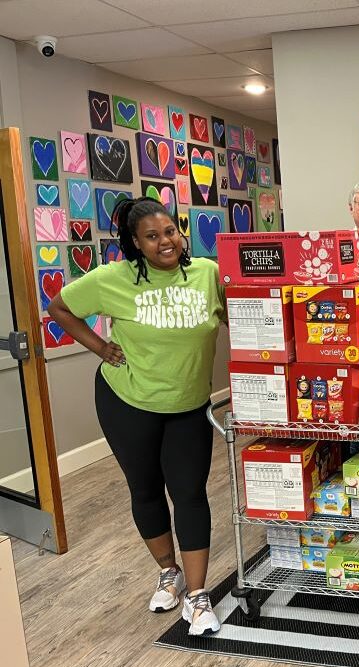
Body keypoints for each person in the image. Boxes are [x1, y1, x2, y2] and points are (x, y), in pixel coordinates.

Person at [47, 198, 226, 636]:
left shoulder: (208, 274)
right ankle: (169, 572)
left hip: (188, 405)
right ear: (135, 244)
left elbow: (243, 316)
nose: (165, 241)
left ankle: (198, 596)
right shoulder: (113, 279)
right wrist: (100, 347)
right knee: (145, 490)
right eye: (152, 236)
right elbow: (59, 307)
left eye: (170, 231)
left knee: (190, 493)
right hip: (127, 402)